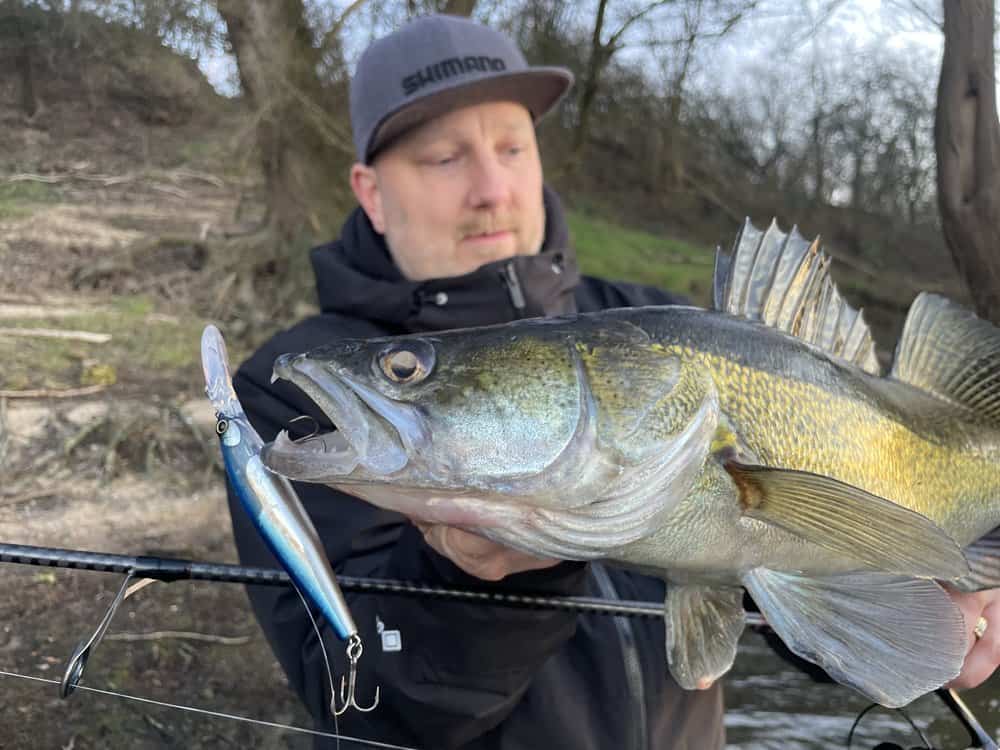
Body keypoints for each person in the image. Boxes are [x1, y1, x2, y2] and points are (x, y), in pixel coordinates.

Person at [226, 13, 1000, 750]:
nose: (492, 188)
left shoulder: (651, 320)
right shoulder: (289, 396)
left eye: (513, 147)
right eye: (444, 157)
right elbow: (361, 698)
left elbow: (780, 583)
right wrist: (477, 578)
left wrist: (926, 607)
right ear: (369, 192)